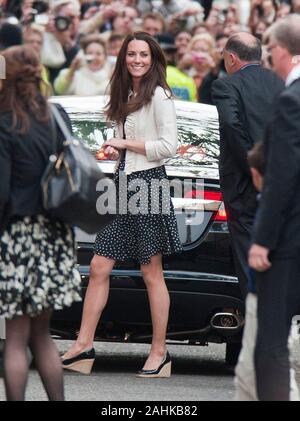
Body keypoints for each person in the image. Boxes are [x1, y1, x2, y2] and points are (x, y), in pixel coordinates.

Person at [62, 31, 182, 377]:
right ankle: (84, 345)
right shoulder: (123, 91)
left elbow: (168, 146)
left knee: (151, 272)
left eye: (144, 54)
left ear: (153, 58)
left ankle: (159, 353)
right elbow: (129, 143)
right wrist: (116, 148)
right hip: (121, 184)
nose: (138, 60)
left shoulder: (159, 94)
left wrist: (126, 143)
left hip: (148, 185)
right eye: (132, 54)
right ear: (124, 58)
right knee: (99, 266)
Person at [0, 45, 82, 401]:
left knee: (15, 336)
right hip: (54, 232)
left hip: (18, 233)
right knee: (43, 334)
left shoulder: (5, 121)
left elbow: (1, 192)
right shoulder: (56, 115)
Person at [248, 13, 300, 401]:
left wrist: (262, 240)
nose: (269, 61)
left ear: (283, 51)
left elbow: (282, 176)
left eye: (270, 52)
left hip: (289, 238)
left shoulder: (290, 101)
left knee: (271, 343)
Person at [211, 32, 284, 299]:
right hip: (282, 183)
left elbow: (231, 126)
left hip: (244, 188)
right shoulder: (280, 83)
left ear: (231, 58)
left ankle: (259, 329)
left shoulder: (226, 86)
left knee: (249, 263)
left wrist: (253, 169)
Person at [234, 142, 299, 401]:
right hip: (266, 295)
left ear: (256, 174)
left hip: (263, 295)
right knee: (248, 375)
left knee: (261, 370)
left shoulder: (271, 212)